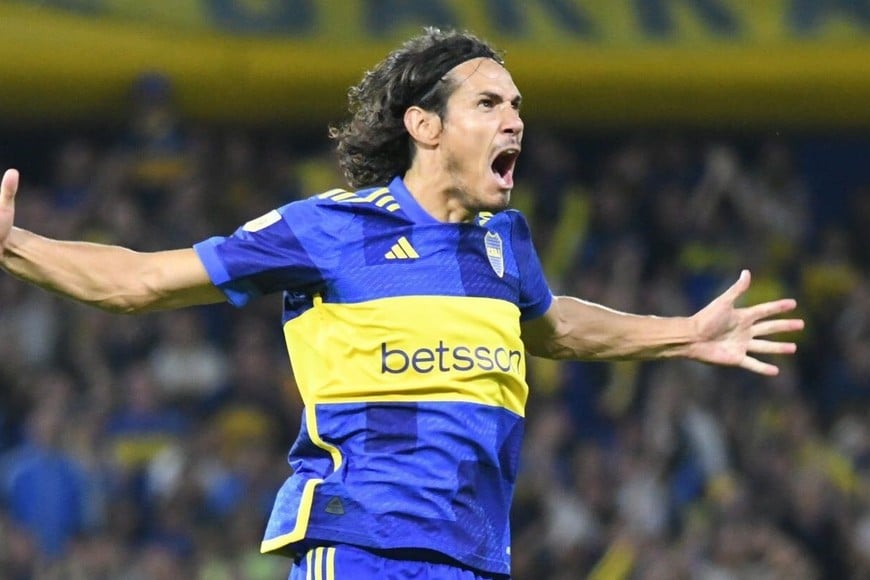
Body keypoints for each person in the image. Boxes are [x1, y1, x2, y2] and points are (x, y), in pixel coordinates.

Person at [0, 28, 803, 580]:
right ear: (424, 124)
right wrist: (15, 246)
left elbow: (555, 326)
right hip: (361, 546)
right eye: (489, 104)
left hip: (476, 554)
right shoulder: (330, 229)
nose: (515, 120)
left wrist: (682, 333)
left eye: (517, 106)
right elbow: (141, 282)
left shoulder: (506, 244)